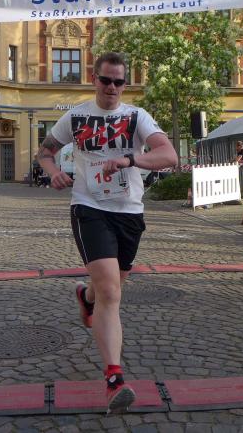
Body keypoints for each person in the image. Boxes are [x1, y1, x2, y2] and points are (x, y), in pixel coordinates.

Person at [37, 52, 177, 413]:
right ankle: (114, 379)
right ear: (94, 79)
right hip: (89, 208)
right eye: (105, 80)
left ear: (124, 85)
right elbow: (45, 152)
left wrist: (130, 159)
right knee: (111, 292)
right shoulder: (76, 117)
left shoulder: (137, 117)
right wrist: (54, 172)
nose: (111, 87)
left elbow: (169, 155)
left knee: (109, 289)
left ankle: (86, 297)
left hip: (129, 212)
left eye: (118, 82)